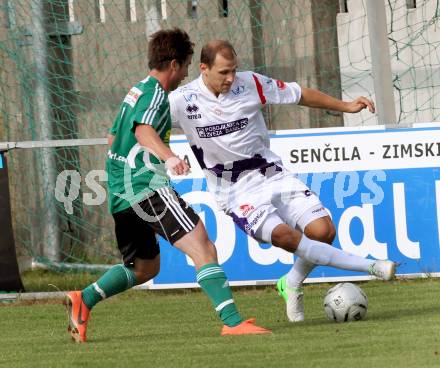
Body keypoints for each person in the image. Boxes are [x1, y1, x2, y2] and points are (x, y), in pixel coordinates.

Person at [64, 30, 270, 343]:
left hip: (122, 194)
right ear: (173, 64)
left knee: (145, 268)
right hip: (145, 188)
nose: (187, 73)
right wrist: (169, 158)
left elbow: (112, 138)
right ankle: (232, 321)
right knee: (202, 245)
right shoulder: (156, 95)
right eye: (186, 65)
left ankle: (85, 300)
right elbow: (144, 131)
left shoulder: (136, 91)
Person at [169, 40, 396, 323]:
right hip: (235, 190)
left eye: (234, 71)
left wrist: (345, 106)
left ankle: (290, 283)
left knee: (323, 231)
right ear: (203, 68)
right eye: (224, 72)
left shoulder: (250, 82)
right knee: (284, 237)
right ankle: (371, 266)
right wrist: (163, 156)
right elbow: (145, 126)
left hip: (270, 172)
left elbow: (298, 94)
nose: (230, 78)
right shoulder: (181, 100)